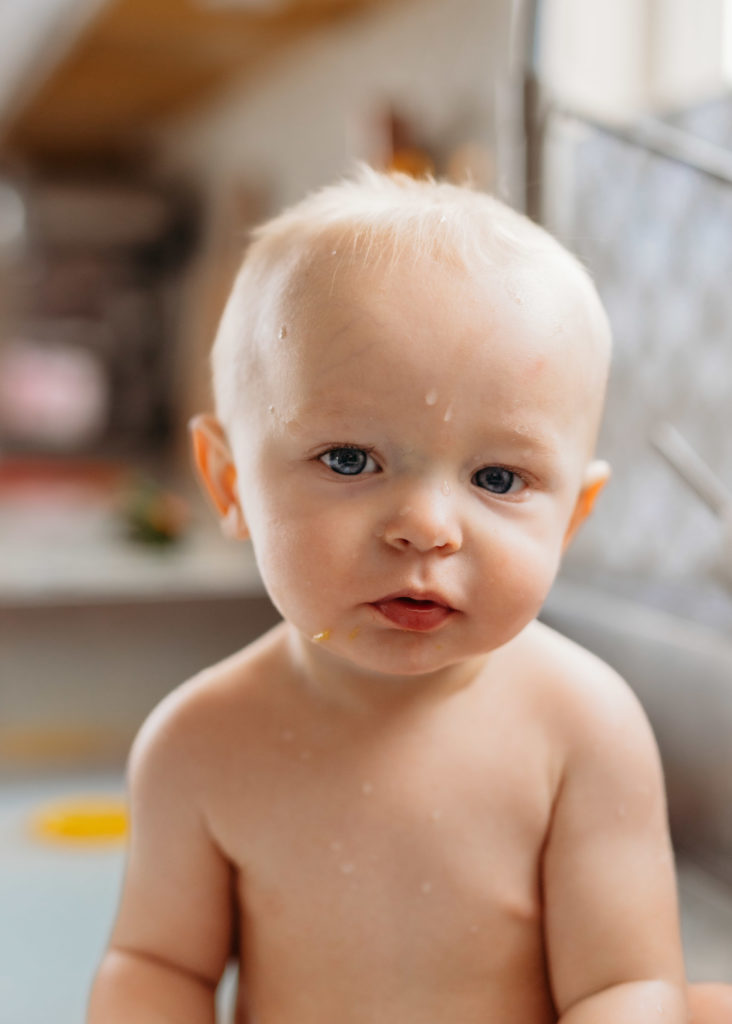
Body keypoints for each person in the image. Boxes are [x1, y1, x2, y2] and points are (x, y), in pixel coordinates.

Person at [88, 168, 732, 1024]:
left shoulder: (584, 729)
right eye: (351, 460)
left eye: (499, 477)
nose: (428, 528)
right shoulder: (199, 744)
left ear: (571, 518)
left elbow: (622, 985)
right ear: (229, 481)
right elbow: (156, 966)